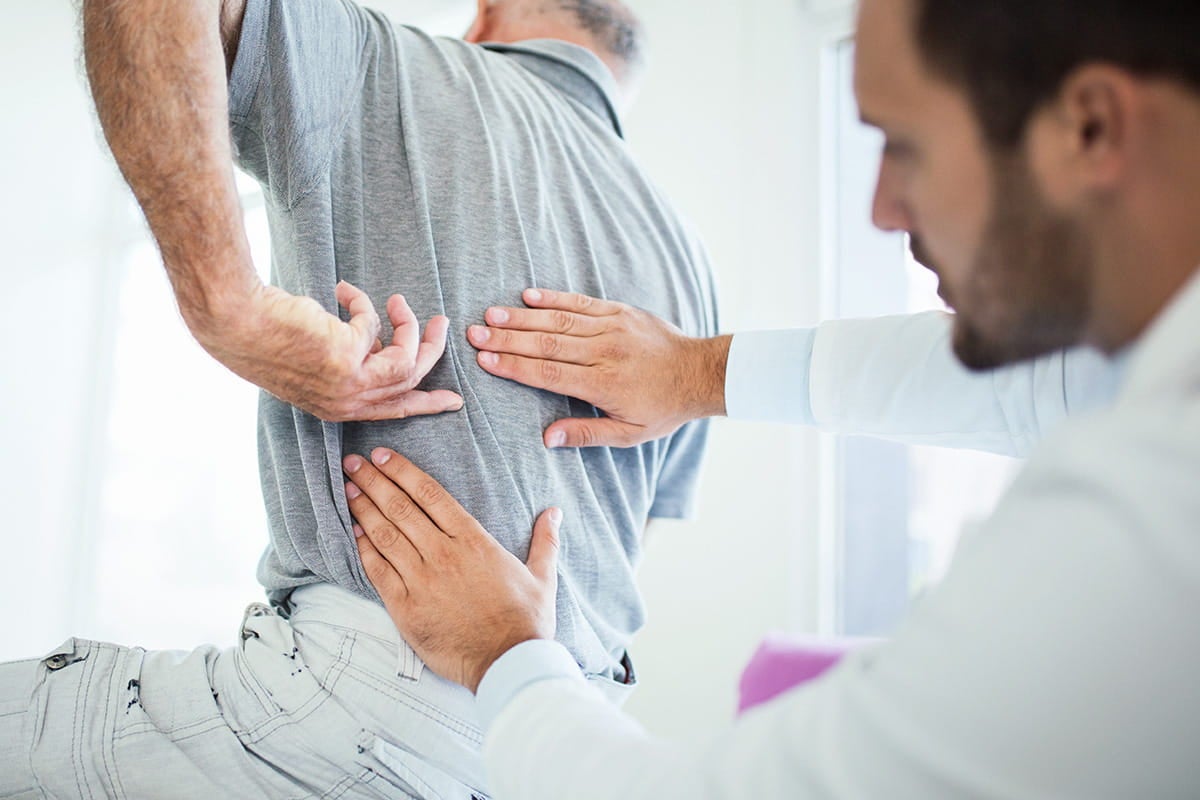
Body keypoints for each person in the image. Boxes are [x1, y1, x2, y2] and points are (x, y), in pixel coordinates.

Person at [342, 0, 1200, 796]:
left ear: (1089, 125)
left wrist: (505, 655)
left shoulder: (1153, 515)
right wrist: (696, 373)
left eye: (904, 144)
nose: (880, 210)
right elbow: (1038, 387)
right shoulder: (1144, 386)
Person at [0, 0, 720, 797]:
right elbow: (623, 549)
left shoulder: (392, 62)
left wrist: (228, 308)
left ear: (484, 17)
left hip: (374, 706)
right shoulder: (691, 270)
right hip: (553, 742)